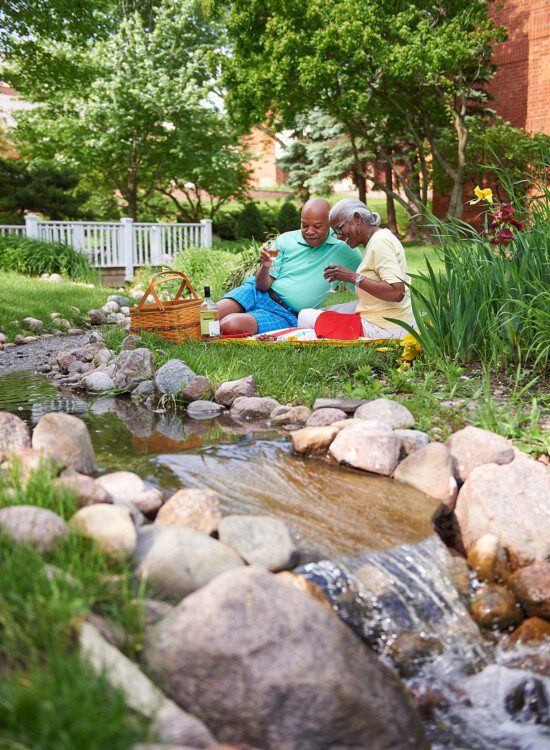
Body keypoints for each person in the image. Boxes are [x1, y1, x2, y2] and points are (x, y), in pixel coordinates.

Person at [218, 198, 362, 335]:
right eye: (304, 225)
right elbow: (262, 286)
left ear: (329, 223)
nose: (309, 231)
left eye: (317, 227)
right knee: (211, 313)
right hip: (256, 292)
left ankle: (239, 319)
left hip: (285, 314)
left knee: (229, 325)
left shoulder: (345, 248)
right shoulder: (285, 240)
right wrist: (265, 267)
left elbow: (365, 282)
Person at [297, 198, 415, 339]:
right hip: (390, 317)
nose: (339, 236)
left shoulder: (380, 242)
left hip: (385, 327)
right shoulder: (379, 238)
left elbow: (397, 292)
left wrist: (351, 277)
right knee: (323, 311)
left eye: (340, 228)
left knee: (304, 316)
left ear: (357, 219)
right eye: (335, 232)